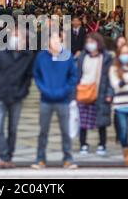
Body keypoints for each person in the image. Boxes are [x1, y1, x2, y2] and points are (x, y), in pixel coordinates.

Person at [0, 30, 34, 169]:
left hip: (16, 97)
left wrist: (23, 92)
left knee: (12, 128)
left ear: (24, 40)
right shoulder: (2, 54)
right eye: (13, 36)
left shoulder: (28, 56)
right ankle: (4, 156)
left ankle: (9, 155)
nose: (15, 39)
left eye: (18, 37)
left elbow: (28, 77)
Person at [32, 35, 78, 170]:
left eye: (59, 40)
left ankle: (68, 159)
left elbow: (73, 76)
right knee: (43, 131)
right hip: (45, 99)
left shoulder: (67, 56)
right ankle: (40, 159)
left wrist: (65, 91)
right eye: (53, 40)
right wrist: (44, 90)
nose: (56, 42)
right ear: (48, 42)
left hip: (63, 100)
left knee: (65, 131)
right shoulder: (41, 57)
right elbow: (37, 75)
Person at [75, 33, 114, 156]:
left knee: (101, 120)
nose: (90, 44)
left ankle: (102, 144)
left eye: (92, 41)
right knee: (83, 121)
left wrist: (109, 93)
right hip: (83, 90)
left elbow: (110, 78)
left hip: (100, 92)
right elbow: (77, 74)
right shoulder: (82, 57)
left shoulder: (106, 58)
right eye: (88, 42)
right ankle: (83, 144)